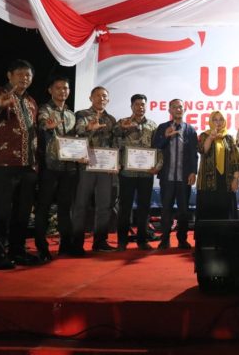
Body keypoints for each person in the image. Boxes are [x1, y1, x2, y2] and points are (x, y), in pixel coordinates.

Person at [0, 59, 39, 268]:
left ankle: (18, 250)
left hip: (28, 165)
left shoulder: (31, 101)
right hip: (5, 165)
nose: (25, 78)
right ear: (9, 75)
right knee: (0, 212)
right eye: (20, 74)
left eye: (28, 75)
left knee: (22, 212)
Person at [33, 75, 77, 262]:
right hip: (49, 166)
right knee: (43, 207)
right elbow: (43, 124)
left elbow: (76, 141)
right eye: (58, 88)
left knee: (65, 208)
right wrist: (48, 126)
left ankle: (66, 245)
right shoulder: (44, 109)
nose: (62, 91)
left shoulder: (71, 114)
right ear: (50, 90)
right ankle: (42, 247)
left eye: (65, 88)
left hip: (69, 168)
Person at [71, 86, 118, 255]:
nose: (101, 98)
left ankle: (100, 242)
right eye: (97, 95)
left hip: (105, 167)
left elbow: (114, 143)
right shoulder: (82, 115)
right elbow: (77, 130)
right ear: (91, 98)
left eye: (104, 96)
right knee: (81, 205)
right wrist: (89, 128)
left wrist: (115, 163)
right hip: (86, 164)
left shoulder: (111, 119)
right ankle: (77, 244)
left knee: (104, 206)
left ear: (108, 100)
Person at [113, 94, 162, 251]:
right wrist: (123, 128)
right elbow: (113, 138)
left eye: (143, 104)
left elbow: (158, 148)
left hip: (146, 173)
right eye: (137, 104)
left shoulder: (153, 125)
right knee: (124, 207)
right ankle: (122, 241)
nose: (140, 107)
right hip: (127, 172)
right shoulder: (123, 122)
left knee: (144, 207)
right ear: (131, 106)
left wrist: (158, 165)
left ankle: (142, 240)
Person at [153, 99, 198, 249]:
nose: (178, 109)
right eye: (174, 107)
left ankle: (182, 240)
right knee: (166, 209)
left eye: (180, 107)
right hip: (167, 177)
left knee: (183, 211)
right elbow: (156, 146)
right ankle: (165, 239)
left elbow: (194, 154)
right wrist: (165, 136)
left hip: (184, 178)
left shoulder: (190, 130)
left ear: (184, 110)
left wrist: (193, 172)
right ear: (169, 111)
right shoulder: (163, 127)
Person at [196, 111, 239, 221]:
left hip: (226, 181)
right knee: (207, 215)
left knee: (225, 214)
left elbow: (236, 160)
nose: (218, 122)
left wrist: (236, 179)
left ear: (224, 121)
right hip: (207, 182)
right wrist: (211, 138)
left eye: (221, 119)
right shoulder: (204, 135)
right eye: (215, 120)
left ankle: (225, 233)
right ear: (211, 122)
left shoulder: (229, 138)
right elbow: (202, 150)